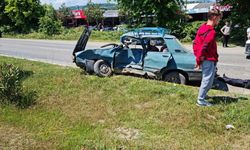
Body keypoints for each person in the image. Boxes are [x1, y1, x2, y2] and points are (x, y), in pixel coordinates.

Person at [194, 8, 222, 106]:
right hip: (209, 59)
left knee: (208, 80)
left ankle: (203, 96)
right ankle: (200, 100)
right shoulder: (211, 32)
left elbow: (195, 44)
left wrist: (197, 57)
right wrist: (198, 61)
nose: (219, 21)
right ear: (214, 17)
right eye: (219, 19)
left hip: (206, 59)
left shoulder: (202, 28)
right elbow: (204, 47)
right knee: (207, 80)